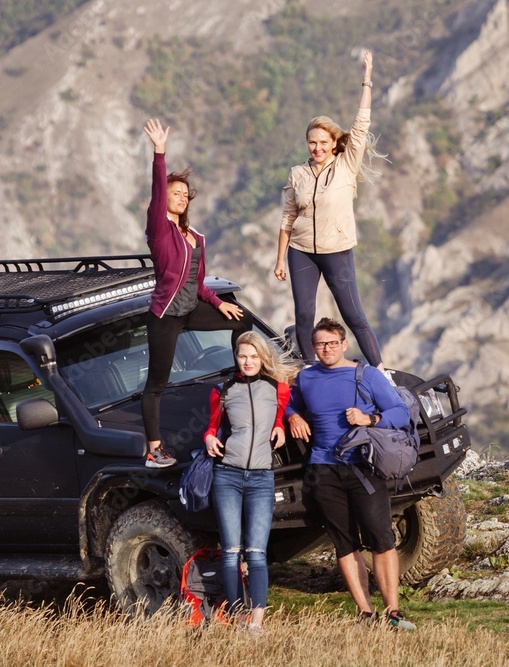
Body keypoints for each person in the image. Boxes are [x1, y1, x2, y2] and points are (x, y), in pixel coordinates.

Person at [285, 317, 416, 631]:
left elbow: (399, 412)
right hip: (323, 469)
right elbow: (287, 401)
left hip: (362, 467)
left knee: (382, 539)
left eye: (332, 343)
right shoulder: (306, 378)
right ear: (313, 347)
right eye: (320, 344)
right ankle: (365, 614)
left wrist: (368, 418)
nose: (326, 349)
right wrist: (291, 415)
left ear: (344, 344)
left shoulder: (365, 374)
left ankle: (393, 612)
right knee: (344, 543)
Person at [142, 118, 252, 468]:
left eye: (183, 195)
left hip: (191, 308)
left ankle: (244, 380)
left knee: (243, 320)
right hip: (166, 315)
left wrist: (219, 304)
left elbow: (199, 284)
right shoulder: (160, 230)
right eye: (174, 193)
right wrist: (160, 153)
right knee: (157, 383)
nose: (179, 197)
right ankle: (154, 449)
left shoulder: (196, 238)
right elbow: (159, 191)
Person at [274, 50, 385, 368]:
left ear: (334, 144)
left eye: (323, 142)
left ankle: (379, 370)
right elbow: (288, 217)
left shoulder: (346, 165)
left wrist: (367, 80)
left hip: (337, 251)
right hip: (301, 250)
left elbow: (361, 125)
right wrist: (280, 258)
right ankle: (309, 369)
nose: (317, 148)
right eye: (312, 143)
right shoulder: (298, 173)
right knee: (304, 314)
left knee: (353, 314)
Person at [203, 331, 297, 631]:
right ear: (236, 357)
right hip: (227, 476)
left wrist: (282, 425)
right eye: (243, 356)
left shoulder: (278, 388)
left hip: (261, 478)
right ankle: (237, 617)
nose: (248, 361)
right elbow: (212, 426)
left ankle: (256, 622)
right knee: (231, 554)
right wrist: (207, 438)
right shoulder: (223, 390)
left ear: (262, 358)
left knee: (257, 554)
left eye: (254, 356)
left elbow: (280, 416)